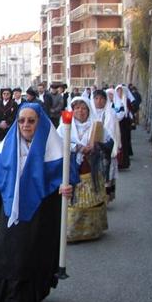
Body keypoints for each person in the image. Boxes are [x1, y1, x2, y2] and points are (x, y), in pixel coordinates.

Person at [0, 103, 74, 302]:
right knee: (10, 254)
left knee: (35, 255)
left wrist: (66, 188)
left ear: (39, 123)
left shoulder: (54, 148)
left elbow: (63, 180)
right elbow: (0, 182)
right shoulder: (8, 146)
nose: (26, 125)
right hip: (11, 211)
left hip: (41, 213)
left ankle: (32, 298)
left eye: (31, 121)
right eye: (22, 120)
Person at [57, 97, 113, 242]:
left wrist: (96, 147)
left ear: (89, 110)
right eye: (77, 108)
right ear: (72, 110)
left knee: (92, 198)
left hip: (91, 168)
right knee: (73, 200)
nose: (80, 111)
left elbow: (108, 142)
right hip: (73, 169)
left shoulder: (96, 126)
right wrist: (77, 147)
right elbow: (58, 144)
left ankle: (92, 230)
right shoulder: (64, 126)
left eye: (83, 108)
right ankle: (72, 232)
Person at [90, 89, 120, 202]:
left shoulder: (111, 113)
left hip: (107, 147)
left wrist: (115, 145)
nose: (99, 101)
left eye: (102, 99)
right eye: (96, 98)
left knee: (108, 170)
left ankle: (106, 196)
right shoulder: (89, 113)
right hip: (92, 149)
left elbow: (115, 131)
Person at [113, 84, 133, 170]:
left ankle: (123, 162)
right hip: (116, 125)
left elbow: (129, 110)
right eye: (118, 90)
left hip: (124, 124)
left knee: (123, 143)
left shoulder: (126, 100)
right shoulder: (114, 101)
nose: (119, 92)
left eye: (121, 90)